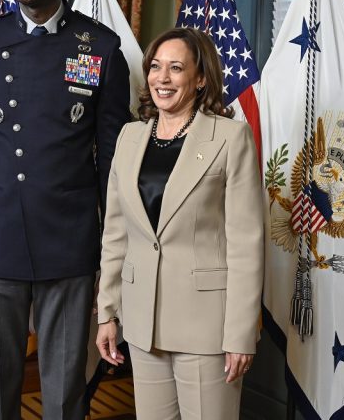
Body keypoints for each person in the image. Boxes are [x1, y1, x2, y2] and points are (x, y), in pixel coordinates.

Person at [0, 0, 131, 420]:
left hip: (68, 237)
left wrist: (109, 248)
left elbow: (112, 161)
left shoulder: (99, 47)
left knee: (63, 390)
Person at [95, 27, 264, 420]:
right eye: (155, 67)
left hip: (206, 327)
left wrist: (240, 333)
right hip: (142, 323)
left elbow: (246, 243)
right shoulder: (129, 136)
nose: (162, 78)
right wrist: (107, 312)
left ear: (200, 77)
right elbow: (116, 234)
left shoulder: (230, 137)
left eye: (175, 68)